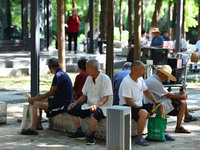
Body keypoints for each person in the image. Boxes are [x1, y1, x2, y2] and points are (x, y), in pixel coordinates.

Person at [118, 60, 172, 146]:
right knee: (143, 112)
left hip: (138, 105)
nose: (144, 71)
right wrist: (141, 110)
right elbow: (128, 101)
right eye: (143, 69)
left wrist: (155, 102)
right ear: (135, 70)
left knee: (160, 106)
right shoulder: (127, 82)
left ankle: (161, 132)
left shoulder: (140, 79)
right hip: (127, 107)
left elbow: (146, 91)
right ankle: (139, 138)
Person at [21, 58, 73, 135]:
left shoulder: (58, 76)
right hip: (58, 101)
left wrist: (34, 99)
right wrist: (37, 97)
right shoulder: (61, 74)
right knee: (38, 99)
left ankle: (33, 129)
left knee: (36, 104)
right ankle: (38, 125)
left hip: (62, 104)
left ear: (49, 67)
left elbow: (51, 93)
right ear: (59, 65)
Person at [67, 59, 113, 145]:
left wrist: (96, 106)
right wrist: (75, 103)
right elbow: (84, 95)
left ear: (95, 68)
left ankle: (92, 136)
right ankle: (79, 132)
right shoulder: (88, 78)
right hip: (89, 105)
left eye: (87, 68)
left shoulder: (105, 79)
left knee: (94, 114)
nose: (86, 70)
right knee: (71, 109)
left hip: (103, 107)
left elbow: (105, 98)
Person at [144, 65, 197, 134]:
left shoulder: (153, 78)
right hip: (154, 104)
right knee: (182, 102)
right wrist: (181, 96)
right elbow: (168, 95)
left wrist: (178, 95)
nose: (166, 79)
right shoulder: (154, 81)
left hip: (157, 101)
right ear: (162, 74)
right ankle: (180, 125)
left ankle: (186, 117)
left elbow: (165, 94)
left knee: (181, 99)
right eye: (166, 76)